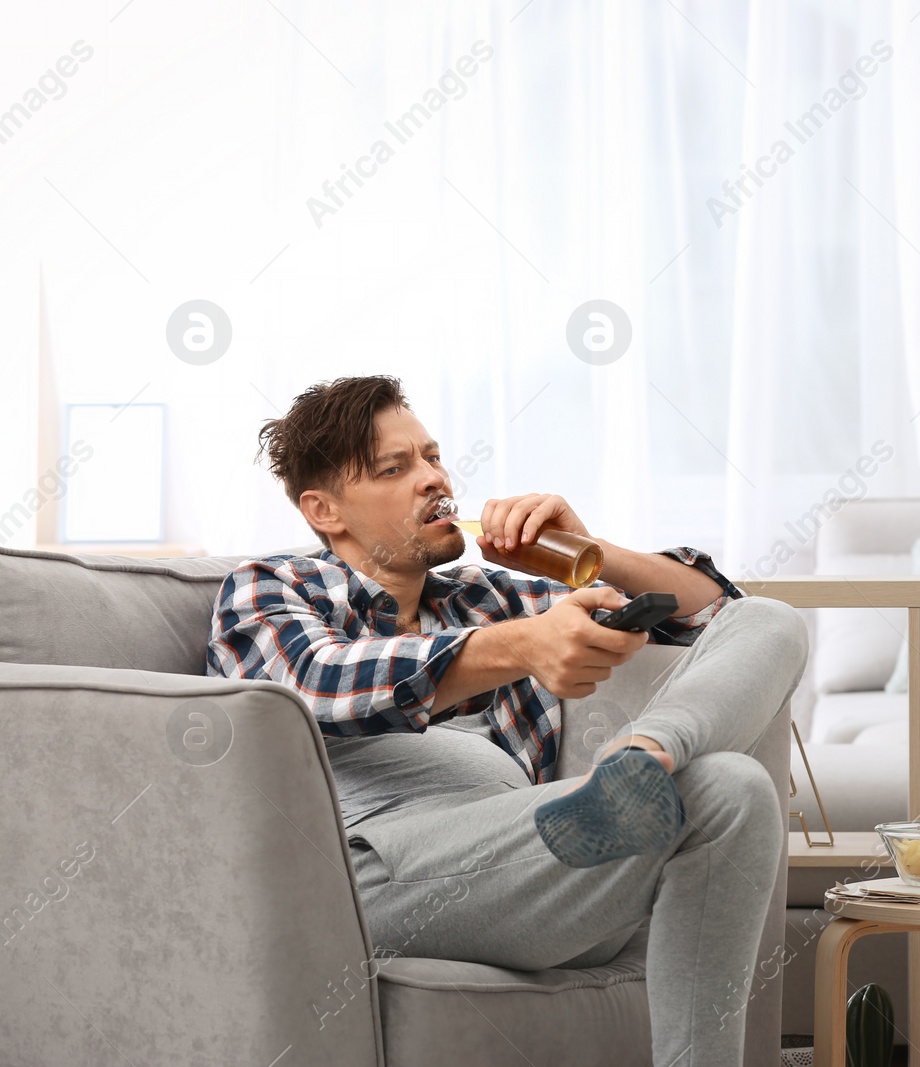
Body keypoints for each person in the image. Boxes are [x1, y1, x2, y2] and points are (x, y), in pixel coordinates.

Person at [206, 375, 807, 1067]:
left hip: (539, 865)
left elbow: (710, 615)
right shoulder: (274, 587)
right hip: (375, 880)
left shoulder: (485, 595)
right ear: (324, 508)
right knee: (724, 789)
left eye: (432, 457)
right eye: (395, 469)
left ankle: (644, 753)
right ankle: (631, 776)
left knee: (759, 675)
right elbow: (313, 681)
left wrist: (592, 548)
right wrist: (522, 645)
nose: (432, 479)